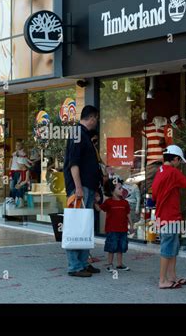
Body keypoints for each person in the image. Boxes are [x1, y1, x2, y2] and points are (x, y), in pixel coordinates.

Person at [63, 105, 102, 277]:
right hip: (80, 188)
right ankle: (75, 266)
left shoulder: (84, 135)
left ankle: (83, 262)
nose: (97, 122)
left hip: (88, 187)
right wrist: (78, 187)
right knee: (76, 225)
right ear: (92, 117)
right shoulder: (77, 134)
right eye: (97, 118)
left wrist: (95, 189)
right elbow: (74, 163)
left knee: (85, 226)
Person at [152, 145, 186, 289]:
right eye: (179, 161)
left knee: (172, 248)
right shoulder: (173, 172)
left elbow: (154, 195)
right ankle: (162, 280)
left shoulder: (160, 171)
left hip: (163, 216)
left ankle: (172, 277)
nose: (179, 164)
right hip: (170, 216)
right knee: (167, 250)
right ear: (175, 159)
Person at [94, 178, 134, 272]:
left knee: (121, 247)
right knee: (111, 247)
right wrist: (95, 201)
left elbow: (128, 214)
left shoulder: (125, 203)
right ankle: (110, 264)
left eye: (122, 188)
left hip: (123, 229)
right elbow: (99, 209)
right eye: (119, 188)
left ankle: (119, 264)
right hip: (112, 230)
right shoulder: (108, 202)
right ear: (112, 191)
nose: (122, 190)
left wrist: (131, 226)